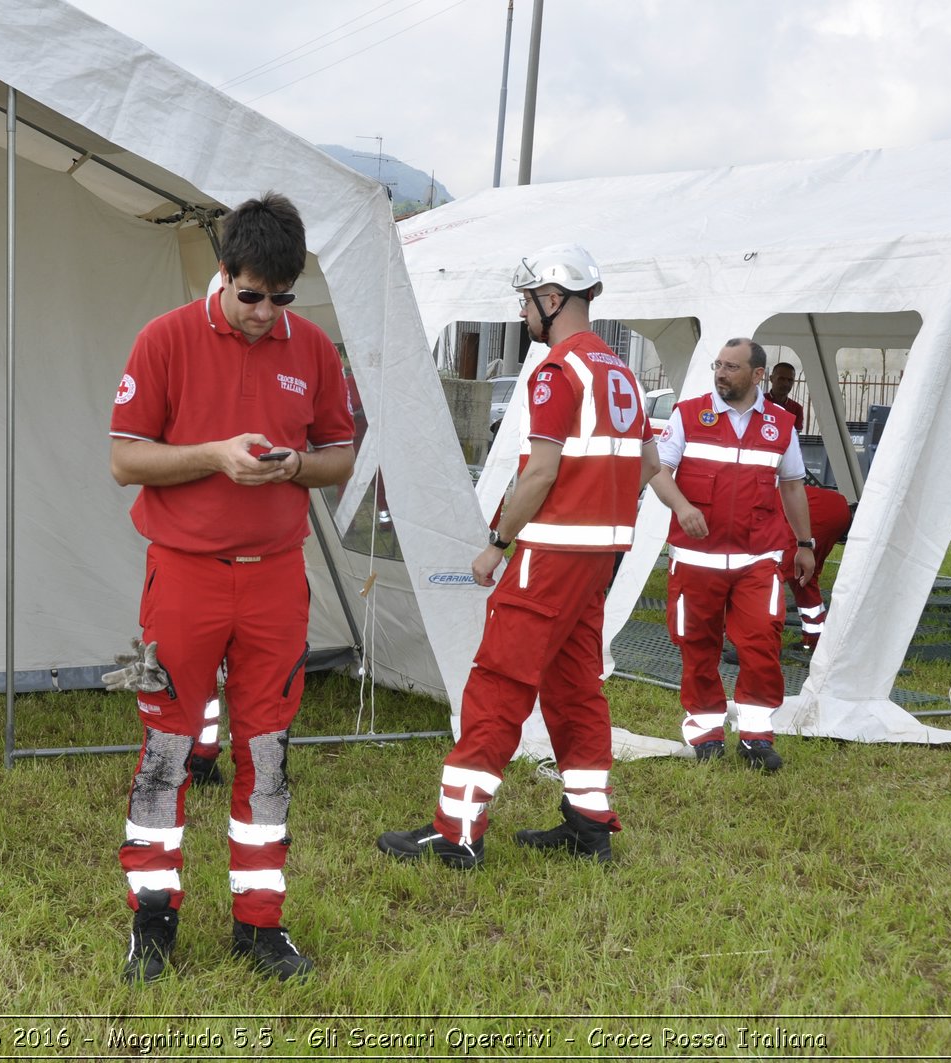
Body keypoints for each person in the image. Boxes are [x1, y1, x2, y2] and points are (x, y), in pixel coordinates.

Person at [107, 193, 355, 983]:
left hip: (277, 578)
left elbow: (341, 456)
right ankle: (153, 921)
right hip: (182, 575)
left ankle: (260, 924)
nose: (263, 314)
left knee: (268, 750)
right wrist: (214, 455)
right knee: (167, 749)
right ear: (223, 274)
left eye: (280, 299)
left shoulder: (311, 347)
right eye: (250, 296)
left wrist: (294, 466)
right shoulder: (165, 338)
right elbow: (125, 459)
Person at [376, 244, 658, 869]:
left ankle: (456, 831)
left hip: (551, 552)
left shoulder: (559, 371)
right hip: (599, 557)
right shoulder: (621, 374)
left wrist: (497, 542)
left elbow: (540, 474)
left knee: (499, 681)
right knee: (576, 685)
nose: (523, 312)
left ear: (552, 300)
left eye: (527, 301)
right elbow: (647, 464)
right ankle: (589, 823)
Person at [649, 338, 813, 772]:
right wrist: (683, 508)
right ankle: (705, 733)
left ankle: (756, 736)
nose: (721, 373)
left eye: (732, 367)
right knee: (696, 646)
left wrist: (806, 543)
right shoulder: (688, 414)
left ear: (758, 376)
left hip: (757, 559)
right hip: (696, 560)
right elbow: (657, 471)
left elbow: (793, 485)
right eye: (718, 365)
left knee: (761, 643)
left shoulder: (781, 424)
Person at [784, 485, 853, 651]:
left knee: (773, 575)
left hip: (820, 510)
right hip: (831, 506)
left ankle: (759, 645)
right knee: (801, 576)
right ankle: (815, 640)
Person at [766, 361, 804, 431]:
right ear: (771, 379)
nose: (786, 384)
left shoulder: (797, 409)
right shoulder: (758, 402)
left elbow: (795, 436)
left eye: (790, 380)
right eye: (781, 379)